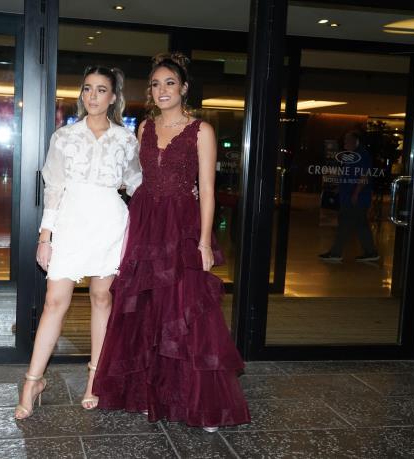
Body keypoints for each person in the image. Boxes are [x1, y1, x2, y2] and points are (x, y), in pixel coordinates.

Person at [92, 53, 251, 432]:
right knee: (148, 307)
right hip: (146, 222)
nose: (162, 90)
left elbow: (208, 190)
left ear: (184, 88)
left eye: (169, 83)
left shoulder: (201, 130)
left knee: (186, 307)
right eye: (155, 84)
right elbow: (135, 178)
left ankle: (201, 401)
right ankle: (148, 394)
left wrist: (204, 242)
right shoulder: (145, 128)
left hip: (182, 224)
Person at [14, 65, 142, 419]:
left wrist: (176, 194)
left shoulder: (126, 139)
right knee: (54, 302)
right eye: (87, 89)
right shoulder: (64, 136)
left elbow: (137, 184)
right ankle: (32, 381)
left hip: (110, 224)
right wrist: (45, 236)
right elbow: (53, 189)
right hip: (70, 223)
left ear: (113, 97)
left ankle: (94, 379)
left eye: (101, 90)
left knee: (102, 299)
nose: (93, 96)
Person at [319, 131, 379, 262]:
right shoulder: (352, 155)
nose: (345, 142)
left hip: (356, 198)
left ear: (356, 141)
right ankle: (371, 252)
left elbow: (364, 176)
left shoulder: (362, 155)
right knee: (361, 225)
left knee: (345, 223)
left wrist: (356, 193)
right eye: (345, 140)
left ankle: (335, 253)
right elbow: (350, 175)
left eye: (347, 140)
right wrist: (339, 188)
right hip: (351, 196)